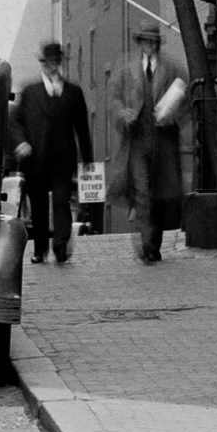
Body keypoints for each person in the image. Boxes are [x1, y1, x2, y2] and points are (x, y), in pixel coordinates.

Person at [13, 42, 96, 273]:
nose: (52, 66)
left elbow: (81, 127)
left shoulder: (73, 93)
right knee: (38, 208)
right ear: (43, 63)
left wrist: (87, 158)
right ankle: (39, 250)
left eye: (55, 62)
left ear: (60, 63)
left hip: (62, 159)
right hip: (34, 160)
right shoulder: (29, 92)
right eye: (48, 62)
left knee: (61, 203)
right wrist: (21, 142)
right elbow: (15, 121)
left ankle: (60, 248)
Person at [113, 24, 191, 262]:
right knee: (143, 192)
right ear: (140, 44)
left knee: (163, 195)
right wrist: (124, 113)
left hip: (164, 141)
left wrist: (173, 116)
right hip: (138, 140)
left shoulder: (173, 68)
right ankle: (147, 243)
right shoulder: (127, 71)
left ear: (157, 44)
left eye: (153, 42)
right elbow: (116, 99)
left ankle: (154, 241)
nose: (149, 46)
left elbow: (187, 96)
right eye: (145, 42)